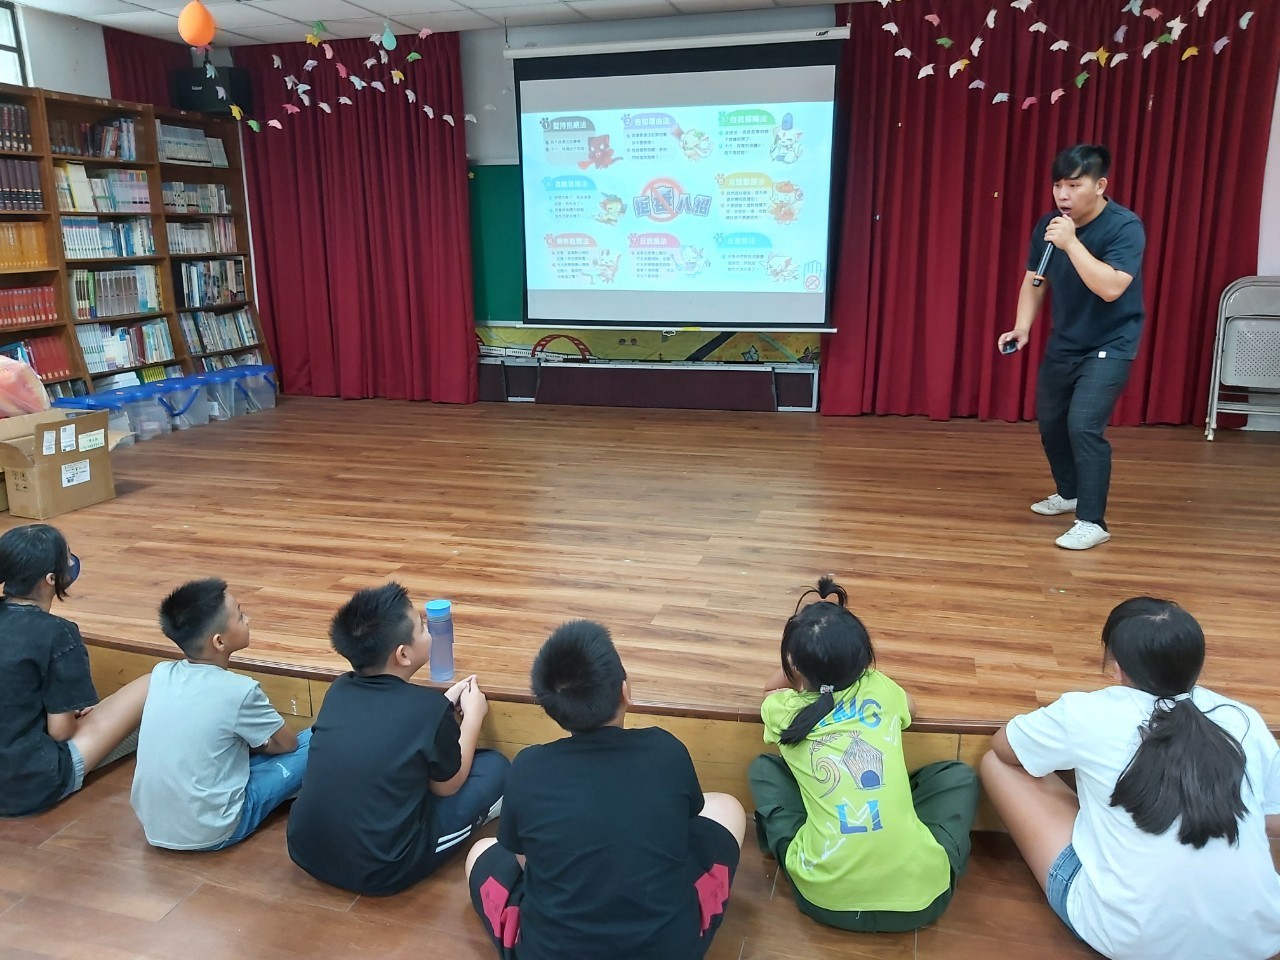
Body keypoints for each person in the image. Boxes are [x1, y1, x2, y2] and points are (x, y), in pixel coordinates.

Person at [980, 597, 1280, 960]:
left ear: (1116, 667)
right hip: (1259, 939)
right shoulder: (1243, 719)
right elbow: (1271, 820)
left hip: (1134, 941)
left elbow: (1006, 747)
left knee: (997, 765)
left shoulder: (1086, 712)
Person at [465, 620, 745, 960]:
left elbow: (525, 860)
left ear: (552, 711)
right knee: (727, 808)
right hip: (670, 950)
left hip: (550, 952)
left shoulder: (527, 768)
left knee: (480, 852)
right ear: (625, 691)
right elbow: (683, 829)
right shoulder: (666, 750)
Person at [748, 576, 979, 931]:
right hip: (923, 901)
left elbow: (768, 691)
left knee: (765, 768)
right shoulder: (880, 688)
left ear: (793, 664)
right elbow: (912, 709)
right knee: (957, 775)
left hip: (823, 899)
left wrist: (799, 666)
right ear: (864, 658)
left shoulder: (781, 710)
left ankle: (810, 852)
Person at [287, 582, 507, 895]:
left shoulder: (339, 690)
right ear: (403, 654)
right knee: (495, 766)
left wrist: (440, 710)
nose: (429, 630)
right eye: (422, 627)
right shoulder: (428, 709)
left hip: (305, 849)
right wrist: (473, 716)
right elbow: (447, 786)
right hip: (384, 868)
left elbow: (386, 729)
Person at [997, 143, 1146, 551]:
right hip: (1066, 340)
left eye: (1074, 185)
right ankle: (1070, 493)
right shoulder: (1051, 226)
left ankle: (1092, 521)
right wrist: (1022, 326)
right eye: (1058, 185)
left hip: (1112, 341)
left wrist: (1072, 244)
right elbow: (1035, 279)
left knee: (1083, 427)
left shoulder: (1124, 227)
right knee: (1051, 422)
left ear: (1099, 186)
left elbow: (1111, 288)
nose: (1063, 195)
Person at [130, 577, 310, 850]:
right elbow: (288, 744)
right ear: (219, 641)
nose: (248, 619)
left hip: (154, 826)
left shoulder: (161, 674)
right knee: (317, 740)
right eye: (240, 615)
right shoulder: (240, 690)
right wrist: (256, 742)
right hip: (215, 829)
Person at [0, 524, 147, 818]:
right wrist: (66, 712)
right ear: (51, 579)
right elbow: (61, 731)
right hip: (28, 786)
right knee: (151, 682)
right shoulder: (58, 633)